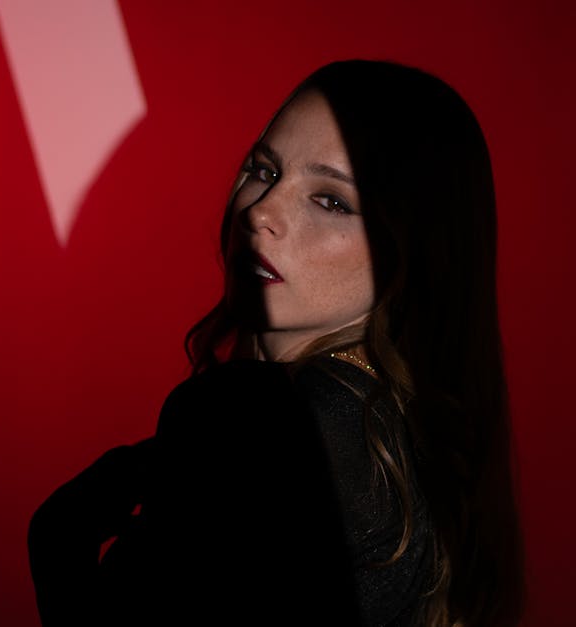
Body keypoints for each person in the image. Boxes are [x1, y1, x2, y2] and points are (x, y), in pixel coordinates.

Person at [28, 60, 524, 627]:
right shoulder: (406, 440)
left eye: (332, 201)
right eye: (264, 170)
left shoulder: (251, 416)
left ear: (410, 255)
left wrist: (59, 539)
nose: (260, 212)